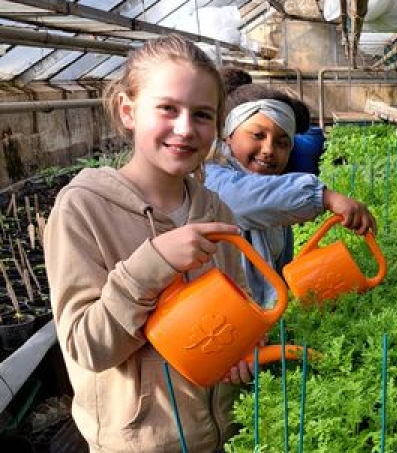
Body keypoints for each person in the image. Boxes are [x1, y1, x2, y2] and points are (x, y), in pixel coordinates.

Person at [44, 35, 259, 452]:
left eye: (202, 115)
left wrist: (246, 346)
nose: (185, 128)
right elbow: (86, 346)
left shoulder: (216, 210)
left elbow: (240, 304)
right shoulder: (83, 209)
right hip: (141, 442)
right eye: (167, 108)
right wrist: (153, 263)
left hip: (224, 434)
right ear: (128, 111)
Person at [204, 82, 377, 306]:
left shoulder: (274, 190)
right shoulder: (209, 175)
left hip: (253, 317)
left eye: (282, 143)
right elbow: (238, 200)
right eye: (257, 135)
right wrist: (324, 197)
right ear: (229, 135)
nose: (269, 149)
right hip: (214, 314)